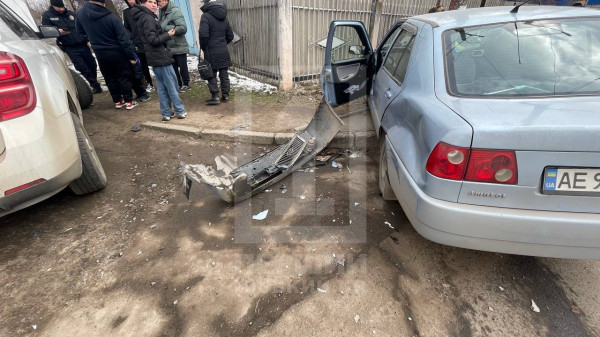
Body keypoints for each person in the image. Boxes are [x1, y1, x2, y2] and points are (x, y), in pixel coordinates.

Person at [76, 0, 140, 110]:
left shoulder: (80, 14)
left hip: (99, 52)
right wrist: (131, 56)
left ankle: (117, 101)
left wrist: (90, 39)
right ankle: (128, 101)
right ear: (103, 3)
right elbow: (124, 39)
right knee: (123, 76)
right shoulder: (111, 17)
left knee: (109, 77)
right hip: (116, 51)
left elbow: (79, 30)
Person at [132, 0, 187, 121]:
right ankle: (180, 110)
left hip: (155, 58)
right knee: (172, 86)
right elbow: (153, 40)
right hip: (161, 57)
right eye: (150, 2)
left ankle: (166, 113)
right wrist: (168, 34)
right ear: (143, 3)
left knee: (162, 88)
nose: (154, 5)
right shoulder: (148, 18)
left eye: (155, 2)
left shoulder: (143, 16)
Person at [42, 0, 102, 94]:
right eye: (59, 7)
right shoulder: (47, 16)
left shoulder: (72, 14)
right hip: (69, 46)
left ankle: (94, 82)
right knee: (81, 67)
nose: (62, 9)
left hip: (82, 44)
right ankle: (95, 85)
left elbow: (82, 27)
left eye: (62, 7)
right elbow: (46, 32)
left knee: (92, 64)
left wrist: (88, 39)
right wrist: (58, 32)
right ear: (53, 6)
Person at [199, 0, 234, 105]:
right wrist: (222, 44)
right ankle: (226, 95)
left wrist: (204, 47)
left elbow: (203, 35)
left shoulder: (205, 16)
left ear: (208, 6)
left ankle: (215, 96)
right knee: (224, 73)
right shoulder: (224, 18)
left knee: (211, 73)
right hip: (223, 50)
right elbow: (230, 36)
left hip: (210, 50)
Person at [158, 0, 190, 92]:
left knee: (182, 67)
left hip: (178, 45)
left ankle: (186, 84)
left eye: (159, 1)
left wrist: (165, 28)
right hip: (169, 45)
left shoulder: (175, 11)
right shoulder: (162, 11)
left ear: (165, 1)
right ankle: (178, 84)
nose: (157, 3)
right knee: (173, 67)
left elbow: (183, 28)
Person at [123, 0, 155, 93]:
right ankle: (149, 83)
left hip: (149, 40)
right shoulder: (126, 12)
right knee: (143, 65)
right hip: (137, 42)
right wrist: (132, 38)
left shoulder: (144, 8)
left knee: (155, 61)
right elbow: (126, 28)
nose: (130, 1)